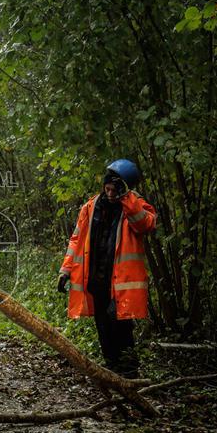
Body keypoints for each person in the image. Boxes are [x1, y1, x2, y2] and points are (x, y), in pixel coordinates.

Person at [58, 159, 156, 378]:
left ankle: (129, 375)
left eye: (115, 190)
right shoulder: (91, 207)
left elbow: (146, 224)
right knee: (103, 328)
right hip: (96, 280)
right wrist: (65, 270)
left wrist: (127, 199)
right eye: (108, 189)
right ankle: (112, 373)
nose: (110, 194)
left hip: (120, 283)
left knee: (121, 328)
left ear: (124, 188)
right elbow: (76, 240)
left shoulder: (134, 205)